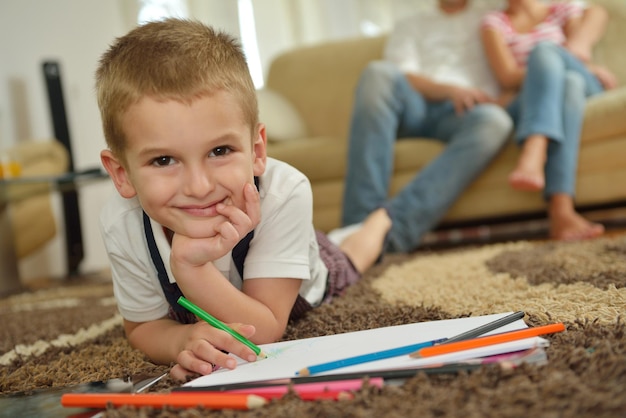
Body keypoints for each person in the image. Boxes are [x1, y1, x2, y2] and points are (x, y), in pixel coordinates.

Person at [95, 19, 389, 380]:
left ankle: (379, 221)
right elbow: (141, 328)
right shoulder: (121, 221)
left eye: (219, 150)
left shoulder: (284, 192)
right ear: (121, 174)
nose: (200, 186)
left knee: (356, 253)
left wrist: (191, 267)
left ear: (257, 150)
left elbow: (264, 330)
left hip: (309, 268)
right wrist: (181, 339)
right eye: (164, 160)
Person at [338, 0, 513, 255]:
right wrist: (451, 90)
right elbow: (404, 74)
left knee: (496, 122)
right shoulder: (411, 24)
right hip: (416, 106)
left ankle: (388, 235)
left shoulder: (493, 16)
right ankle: (355, 228)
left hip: (469, 113)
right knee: (377, 73)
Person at [481, 0, 618, 240]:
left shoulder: (561, 8)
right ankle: (561, 210)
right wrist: (547, 70)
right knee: (567, 83)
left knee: (547, 53)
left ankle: (535, 146)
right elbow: (507, 76)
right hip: (532, 96)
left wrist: (549, 60)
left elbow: (578, 54)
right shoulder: (494, 23)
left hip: (584, 81)